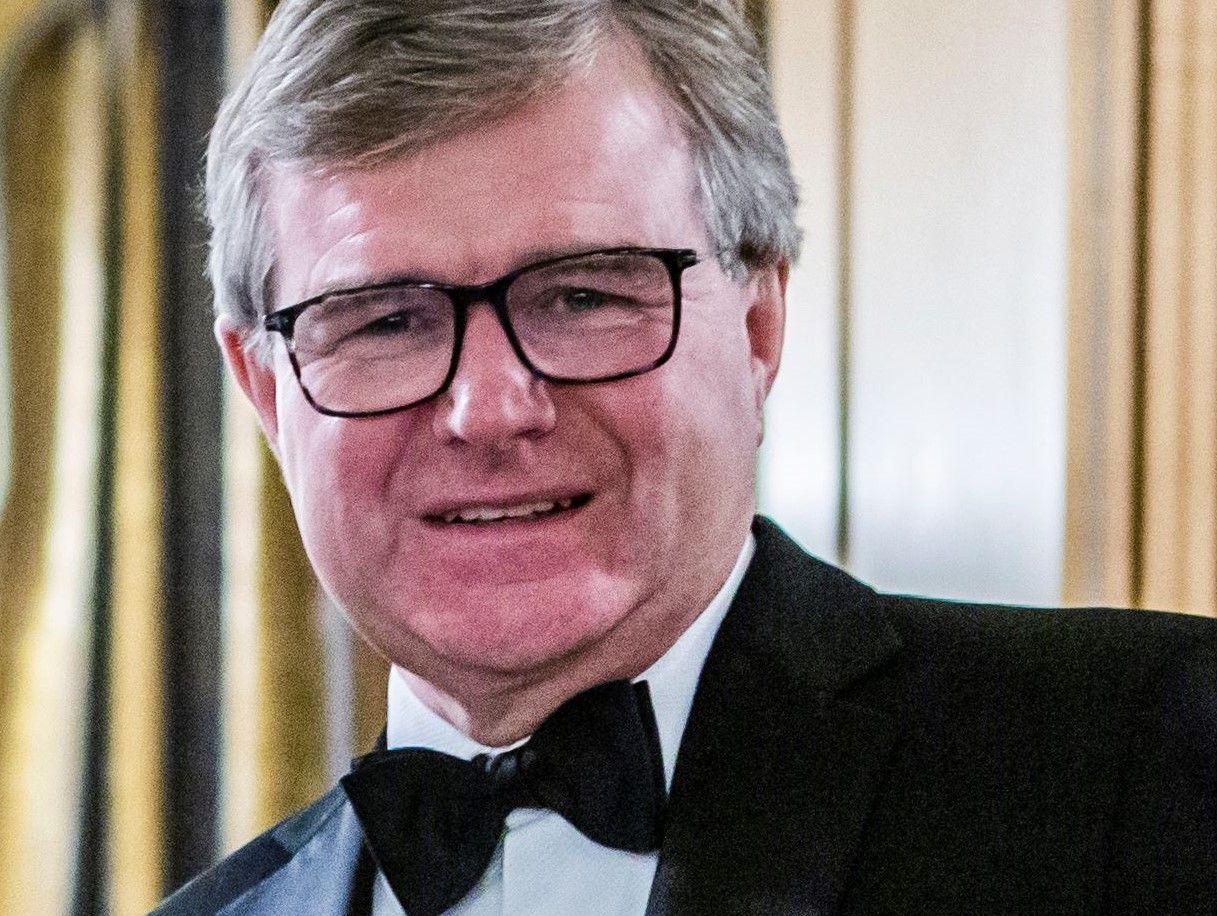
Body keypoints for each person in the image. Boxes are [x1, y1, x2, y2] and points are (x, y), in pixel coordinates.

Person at [155, 1, 1217, 914]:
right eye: (383, 321)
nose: (486, 409)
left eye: (581, 296)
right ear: (262, 387)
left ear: (758, 323)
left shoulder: (1157, 759)